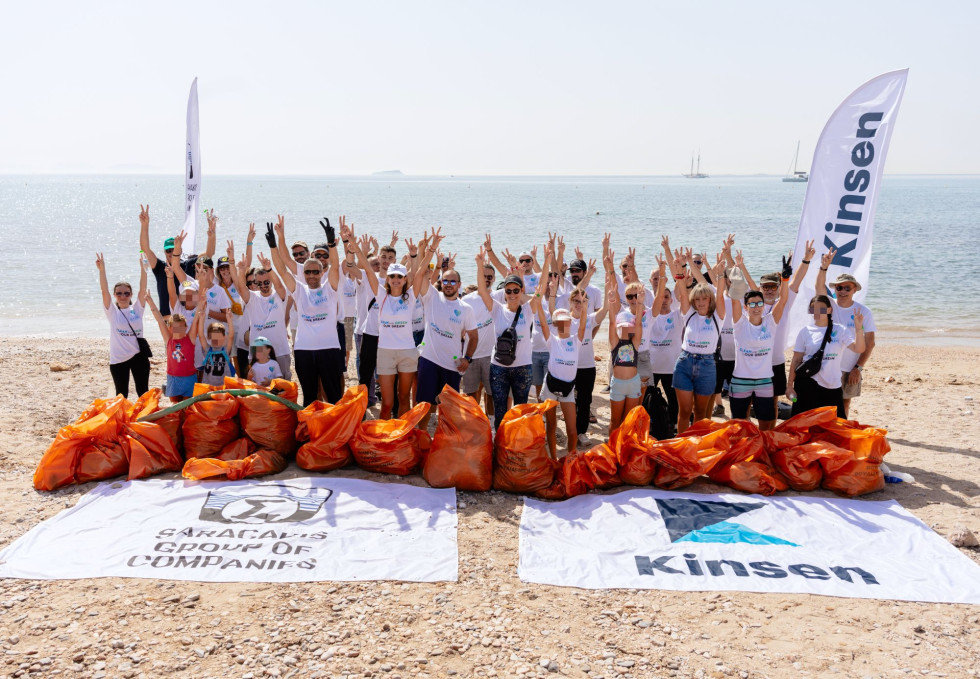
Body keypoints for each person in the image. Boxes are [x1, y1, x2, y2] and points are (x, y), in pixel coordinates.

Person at [346, 223, 418, 419]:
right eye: (383, 257)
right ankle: (361, 411)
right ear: (378, 258)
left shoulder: (400, 282)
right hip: (371, 333)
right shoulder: (373, 279)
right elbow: (355, 266)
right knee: (365, 373)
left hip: (392, 340)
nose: (386, 261)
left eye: (390, 258)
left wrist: (416, 256)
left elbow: (415, 274)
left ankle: (396, 415)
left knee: (393, 381)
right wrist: (353, 244)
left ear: (395, 261)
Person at [271, 216, 343, 407]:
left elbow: (335, 266)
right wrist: (274, 244)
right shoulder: (299, 290)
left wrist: (331, 243)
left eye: (315, 272)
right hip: (304, 350)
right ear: (303, 274)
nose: (311, 275)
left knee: (334, 395)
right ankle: (311, 434)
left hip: (329, 349)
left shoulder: (330, 288)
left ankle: (337, 434)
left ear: (321, 273)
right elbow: (282, 268)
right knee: (310, 397)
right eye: (308, 272)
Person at [413, 228, 479, 429]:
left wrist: (467, 359)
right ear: (441, 282)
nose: (448, 284)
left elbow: (474, 337)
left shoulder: (465, 308)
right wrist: (430, 249)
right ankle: (421, 437)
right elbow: (420, 274)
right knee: (424, 404)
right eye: (445, 281)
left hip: (452, 365)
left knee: (449, 408)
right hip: (429, 359)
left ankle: (446, 442)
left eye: (453, 281)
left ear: (459, 285)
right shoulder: (431, 296)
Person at [724, 252, 791, 430]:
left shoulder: (770, 322)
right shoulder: (739, 324)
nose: (756, 307)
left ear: (763, 305)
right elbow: (735, 298)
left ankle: (763, 453)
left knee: (767, 423)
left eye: (759, 304)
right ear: (746, 307)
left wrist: (785, 280)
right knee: (739, 424)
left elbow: (783, 300)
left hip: (764, 381)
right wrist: (735, 270)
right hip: (740, 381)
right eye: (752, 304)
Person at [474, 245, 535, 432]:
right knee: (500, 410)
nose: (512, 294)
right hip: (499, 368)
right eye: (508, 291)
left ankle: (518, 443)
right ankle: (500, 445)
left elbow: (540, 292)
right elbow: (483, 291)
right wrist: (479, 266)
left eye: (516, 291)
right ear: (504, 292)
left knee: (521, 409)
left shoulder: (529, 309)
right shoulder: (497, 309)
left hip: (523, 367)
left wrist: (547, 261)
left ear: (521, 291)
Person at [815, 249, 877, 418]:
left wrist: (858, 367)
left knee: (845, 403)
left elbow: (870, 342)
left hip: (850, 366)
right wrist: (823, 268)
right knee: (824, 403)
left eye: (847, 288)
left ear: (854, 289)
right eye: (839, 287)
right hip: (827, 365)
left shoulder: (863, 311)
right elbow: (819, 287)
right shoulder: (829, 305)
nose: (842, 291)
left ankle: (841, 431)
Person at [787, 295, 865, 418]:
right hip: (808, 382)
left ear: (829, 310)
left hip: (832, 384)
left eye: (822, 308)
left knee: (836, 425)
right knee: (804, 425)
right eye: (813, 309)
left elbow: (858, 348)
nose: (817, 312)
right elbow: (796, 360)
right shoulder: (805, 332)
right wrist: (790, 386)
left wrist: (859, 329)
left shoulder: (840, 330)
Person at [226, 242, 293, 382]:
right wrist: (240, 270)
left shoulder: (279, 294)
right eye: (259, 283)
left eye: (266, 282)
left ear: (270, 281)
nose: (263, 286)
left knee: (282, 386)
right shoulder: (252, 298)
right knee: (258, 388)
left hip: (280, 349)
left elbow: (280, 285)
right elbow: (241, 287)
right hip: (258, 353)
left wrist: (269, 269)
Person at [673, 261, 727, 434]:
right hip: (684, 363)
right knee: (685, 412)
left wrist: (720, 275)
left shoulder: (718, 317)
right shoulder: (689, 315)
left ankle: (697, 447)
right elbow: (682, 292)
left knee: (701, 413)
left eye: (705, 298)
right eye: (697, 299)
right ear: (693, 301)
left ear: (709, 299)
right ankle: (681, 445)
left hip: (707, 366)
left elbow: (720, 295)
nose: (701, 302)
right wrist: (679, 272)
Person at [531, 294, 586, 459]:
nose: (563, 324)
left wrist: (582, 305)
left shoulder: (576, 340)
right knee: (552, 426)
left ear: (570, 322)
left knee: (572, 429)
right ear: (554, 324)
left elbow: (583, 325)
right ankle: (553, 458)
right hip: (550, 388)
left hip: (568, 389)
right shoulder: (552, 340)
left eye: (566, 321)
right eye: (559, 322)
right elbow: (542, 322)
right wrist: (539, 303)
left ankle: (570, 457)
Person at [138, 205, 217, 316]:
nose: (171, 253)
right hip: (168, 319)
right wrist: (144, 225)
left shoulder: (189, 265)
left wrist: (212, 234)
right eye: (168, 250)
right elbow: (145, 249)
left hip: (186, 318)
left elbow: (209, 253)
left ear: (180, 250)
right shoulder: (160, 267)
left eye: (174, 249)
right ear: (164, 252)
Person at [96, 253, 150, 399]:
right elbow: (104, 291)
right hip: (118, 358)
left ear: (131, 295)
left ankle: (145, 417)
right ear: (115, 295)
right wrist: (102, 270)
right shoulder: (112, 312)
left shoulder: (137, 309)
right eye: (119, 293)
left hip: (139, 355)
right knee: (121, 394)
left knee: (143, 391)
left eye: (126, 293)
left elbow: (142, 290)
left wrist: (143, 269)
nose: (123, 296)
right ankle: (122, 420)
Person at [145, 279, 207, 403]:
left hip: (189, 378)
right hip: (172, 378)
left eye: (181, 326)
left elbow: (195, 319)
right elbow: (159, 319)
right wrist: (150, 302)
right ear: (170, 328)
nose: (179, 329)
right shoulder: (168, 340)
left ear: (185, 327)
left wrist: (201, 304)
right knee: (175, 407)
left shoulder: (190, 338)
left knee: (187, 407)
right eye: (175, 326)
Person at [461, 263, 498, 417]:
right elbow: (459, 328)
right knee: (470, 394)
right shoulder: (467, 299)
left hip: (491, 356)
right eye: (483, 276)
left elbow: (518, 289)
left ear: (494, 279)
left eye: (490, 277)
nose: (487, 279)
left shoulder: (499, 296)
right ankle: (473, 423)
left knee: (491, 394)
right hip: (470, 355)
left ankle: (490, 425)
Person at [606, 290, 645, 435]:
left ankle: (624, 448)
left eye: (628, 326)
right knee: (615, 421)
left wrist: (639, 303)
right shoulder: (615, 342)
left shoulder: (634, 343)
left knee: (628, 420)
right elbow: (611, 323)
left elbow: (639, 324)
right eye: (622, 326)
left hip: (633, 383)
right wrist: (611, 303)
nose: (625, 329)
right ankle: (613, 450)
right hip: (618, 384)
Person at [198, 315, 236, 388]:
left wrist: (229, 320)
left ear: (224, 338)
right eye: (213, 338)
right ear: (209, 338)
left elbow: (231, 336)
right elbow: (201, 336)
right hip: (209, 386)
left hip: (224, 387)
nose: (216, 340)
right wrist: (201, 319)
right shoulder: (207, 350)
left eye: (218, 338)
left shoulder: (226, 350)